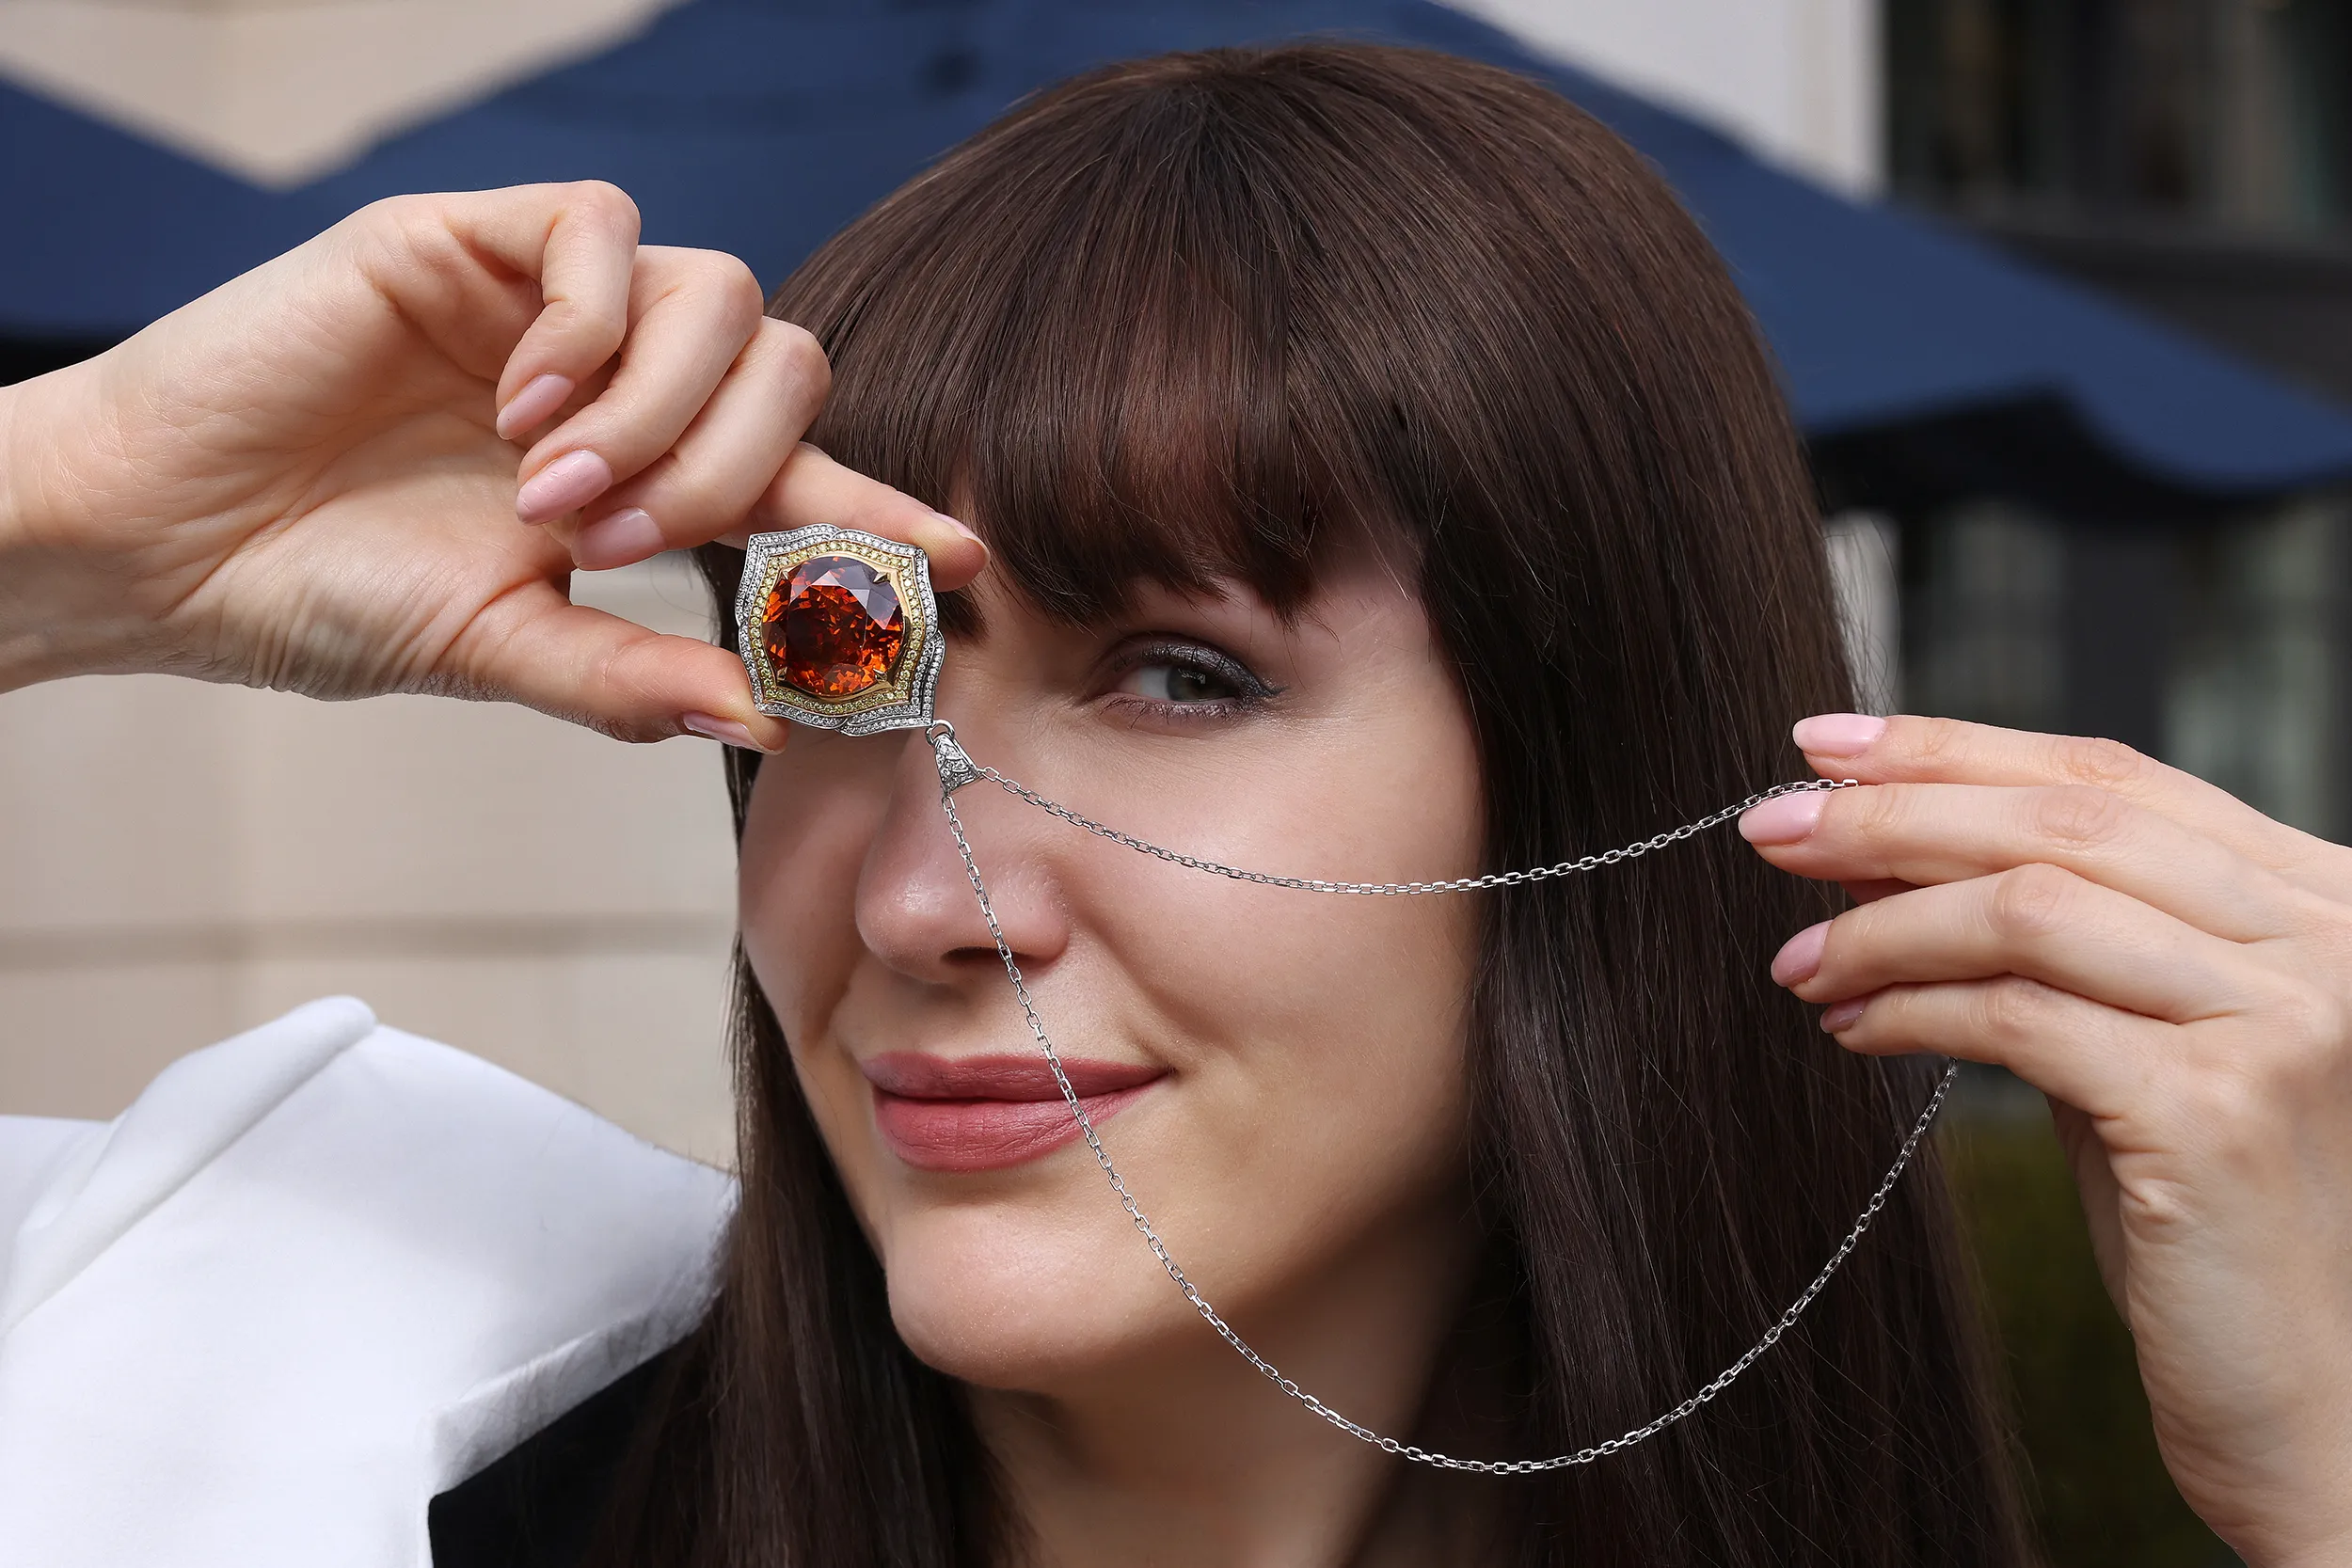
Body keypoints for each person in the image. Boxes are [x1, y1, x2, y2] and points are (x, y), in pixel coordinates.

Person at [2, 41, 2347, 1568]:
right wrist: (70, 522)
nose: (915, 898)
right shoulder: (243, 1379)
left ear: (1599, 765)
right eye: (840, 663)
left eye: (1180, 674)